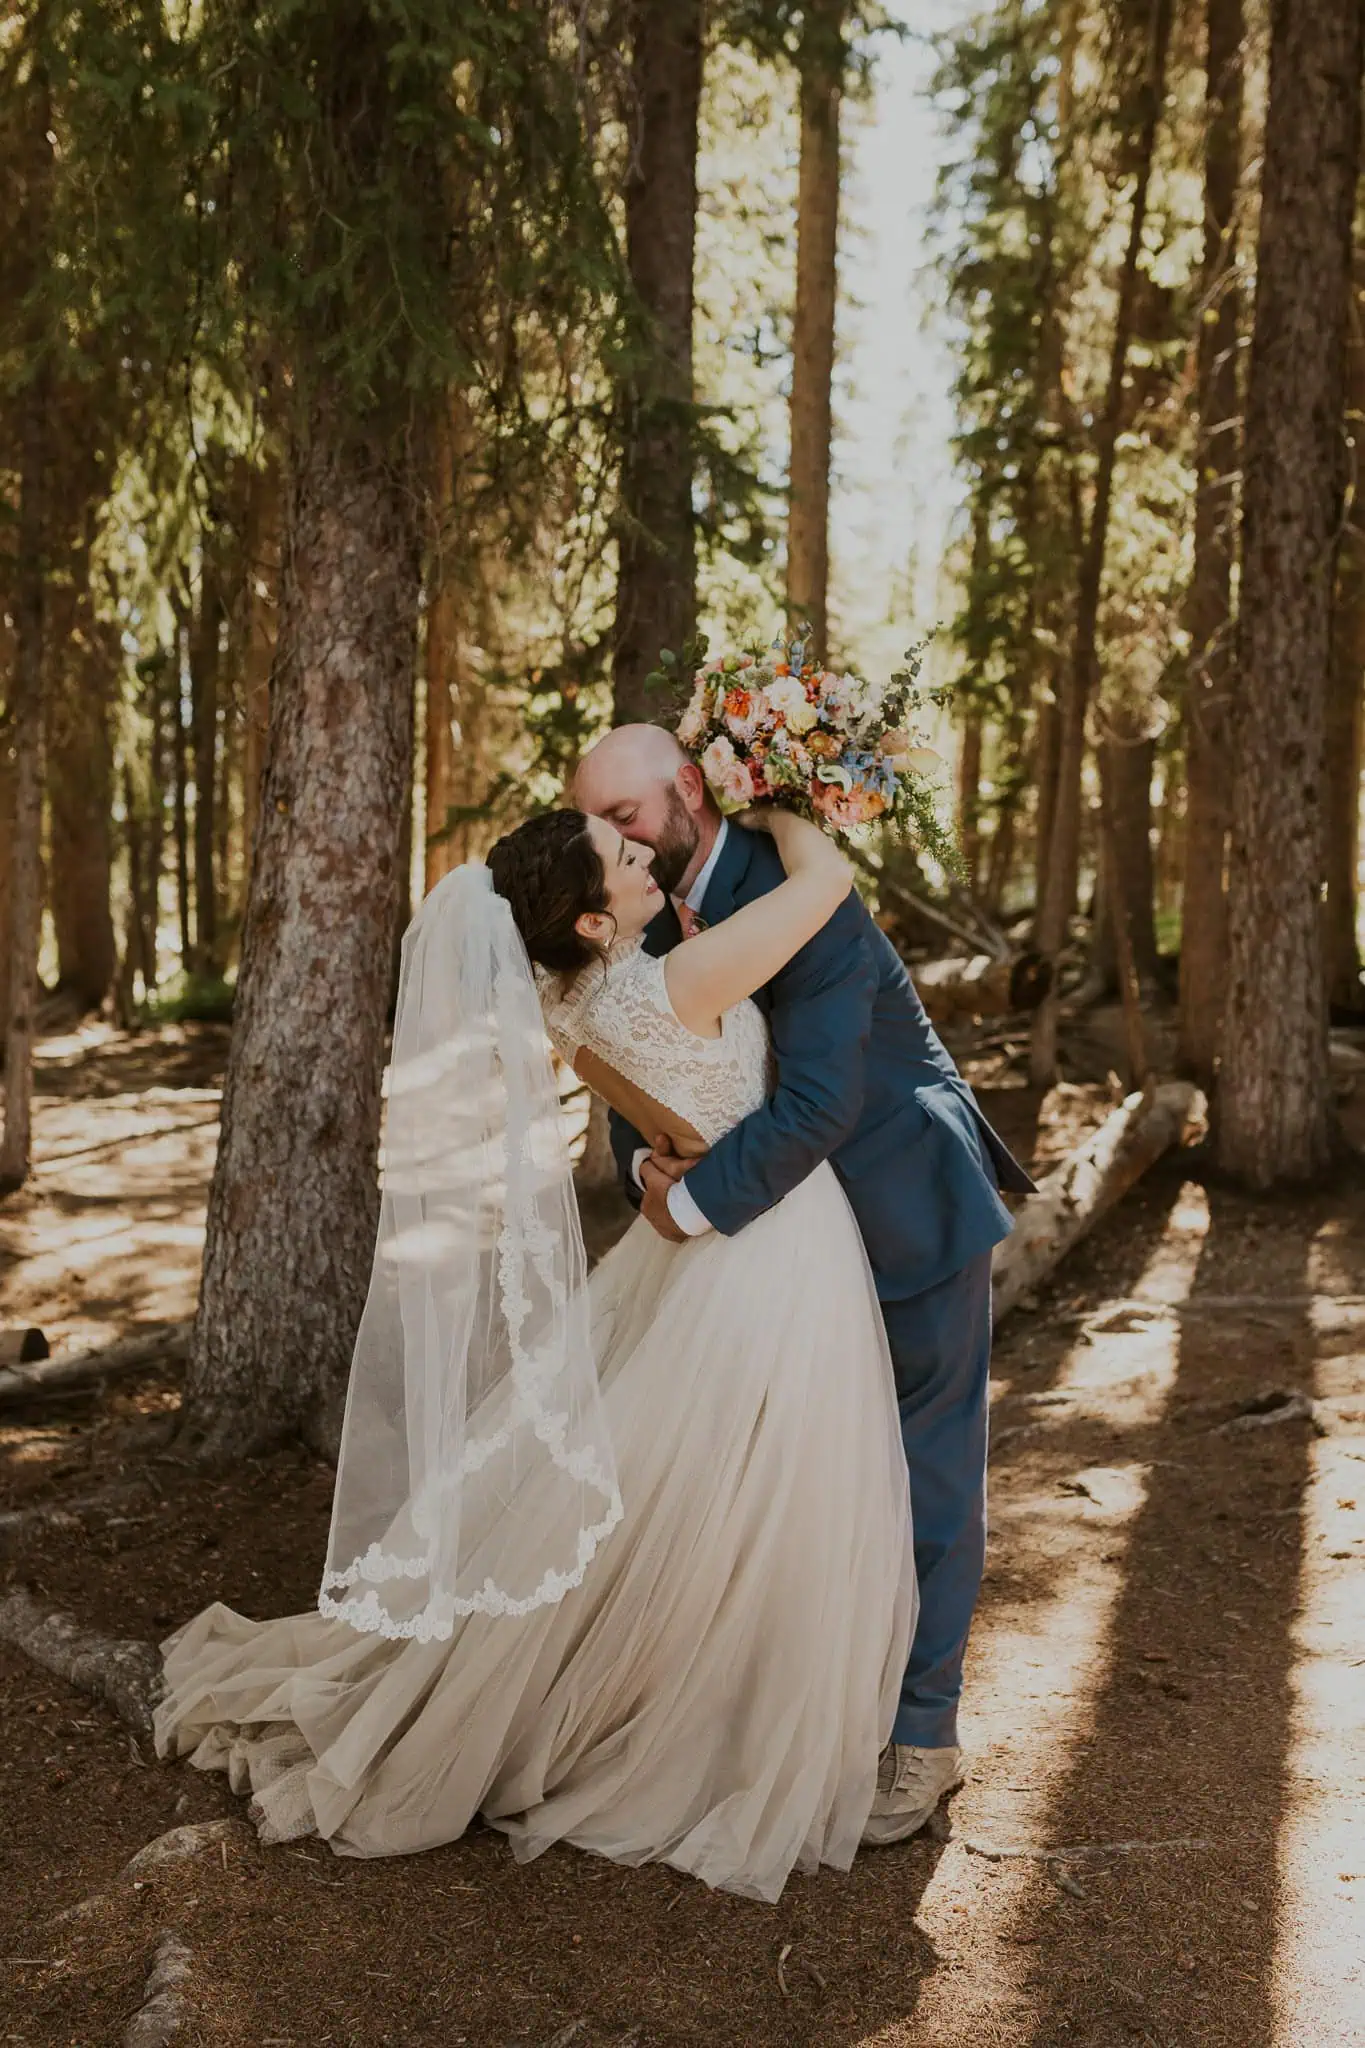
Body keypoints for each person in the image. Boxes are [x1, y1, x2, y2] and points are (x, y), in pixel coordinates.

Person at [154, 805, 917, 1903]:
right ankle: (709, 1718)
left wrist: (678, 1166)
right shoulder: (675, 981)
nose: (644, 851)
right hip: (774, 1256)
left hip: (703, 1245)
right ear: (599, 919)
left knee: (703, 1496)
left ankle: (677, 1687)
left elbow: (674, 1116)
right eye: (621, 857)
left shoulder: (568, 1000)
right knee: (768, 1493)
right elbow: (826, 881)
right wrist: (789, 801)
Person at [573, 724, 1035, 1844]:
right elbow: (648, 1063)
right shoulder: (630, 905)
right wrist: (646, 1164)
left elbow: (819, 1100)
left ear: (689, 788)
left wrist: (684, 1205)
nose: (613, 839)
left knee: (926, 1468)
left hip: (902, 1197)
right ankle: (802, 1700)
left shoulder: (793, 880)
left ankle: (922, 1738)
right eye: (598, 823)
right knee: (798, 1467)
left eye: (626, 815)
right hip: (783, 1237)